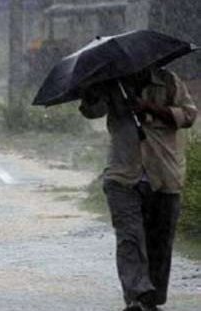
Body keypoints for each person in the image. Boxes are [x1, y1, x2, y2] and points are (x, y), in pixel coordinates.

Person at [79, 66, 197, 311]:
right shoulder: (112, 82)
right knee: (129, 238)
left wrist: (150, 108)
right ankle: (136, 296)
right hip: (123, 174)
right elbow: (92, 111)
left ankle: (152, 298)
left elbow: (189, 115)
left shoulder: (169, 81)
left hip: (164, 172)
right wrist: (90, 93)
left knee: (160, 242)